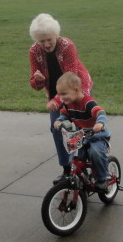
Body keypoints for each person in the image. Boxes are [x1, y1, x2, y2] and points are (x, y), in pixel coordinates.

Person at [29, 13, 93, 184]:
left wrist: (57, 102)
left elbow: (70, 78)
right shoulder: (34, 50)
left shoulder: (67, 46)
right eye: (41, 41)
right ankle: (67, 170)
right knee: (57, 129)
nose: (46, 44)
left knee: (83, 126)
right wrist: (38, 80)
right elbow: (34, 85)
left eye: (49, 39)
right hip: (54, 93)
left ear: (56, 34)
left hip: (77, 88)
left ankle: (84, 167)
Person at [54, 72, 111, 190]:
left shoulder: (88, 102)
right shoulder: (68, 104)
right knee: (77, 158)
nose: (61, 98)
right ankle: (82, 177)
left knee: (95, 153)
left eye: (64, 94)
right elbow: (64, 115)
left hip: (97, 136)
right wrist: (59, 121)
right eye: (60, 95)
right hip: (82, 136)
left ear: (75, 90)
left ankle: (102, 178)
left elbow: (100, 112)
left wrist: (99, 123)